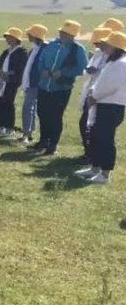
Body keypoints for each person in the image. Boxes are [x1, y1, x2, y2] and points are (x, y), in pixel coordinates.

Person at [31, 20, 88, 156]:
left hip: (62, 88)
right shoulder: (51, 45)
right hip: (44, 86)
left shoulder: (78, 49)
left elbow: (82, 68)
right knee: (42, 113)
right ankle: (43, 140)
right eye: (62, 32)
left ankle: (53, 145)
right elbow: (41, 61)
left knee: (55, 116)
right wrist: (43, 70)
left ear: (73, 35)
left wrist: (63, 73)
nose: (62, 34)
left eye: (66, 33)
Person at [78, 30, 126, 184]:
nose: (105, 46)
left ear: (116, 46)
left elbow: (110, 86)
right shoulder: (113, 62)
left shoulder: (121, 64)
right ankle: (95, 167)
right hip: (103, 103)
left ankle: (105, 174)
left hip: (111, 106)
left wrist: (94, 96)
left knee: (105, 139)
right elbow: (101, 82)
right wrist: (94, 93)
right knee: (96, 136)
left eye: (108, 44)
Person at [77, 26, 114, 159]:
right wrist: (89, 69)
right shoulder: (99, 53)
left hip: (101, 97)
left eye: (99, 43)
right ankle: (89, 153)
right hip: (91, 93)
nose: (97, 46)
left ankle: (93, 156)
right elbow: (86, 72)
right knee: (85, 124)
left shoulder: (114, 58)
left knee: (93, 127)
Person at [0, 27, 29, 137]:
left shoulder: (22, 52)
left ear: (15, 38)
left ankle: (9, 127)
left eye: (9, 37)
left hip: (12, 82)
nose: (7, 39)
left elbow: (21, 68)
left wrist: (9, 75)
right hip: (1, 81)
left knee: (8, 102)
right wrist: (1, 72)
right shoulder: (6, 51)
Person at [17, 24, 49, 144]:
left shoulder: (45, 48)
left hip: (39, 83)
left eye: (30, 33)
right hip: (31, 83)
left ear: (35, 35)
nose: (27, 35)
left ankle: (27, 134)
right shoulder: (33, 49)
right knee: (31, 108)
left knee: (28, 107)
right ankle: (28, 133)